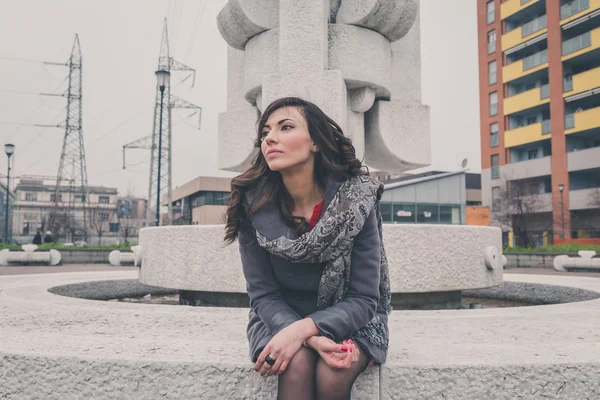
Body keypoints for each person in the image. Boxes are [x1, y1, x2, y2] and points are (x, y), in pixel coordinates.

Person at [224, 97, 390, 400]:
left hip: (351, 318)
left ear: (315, 141)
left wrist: (306, 331)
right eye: (265, 132)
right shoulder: (252, 206)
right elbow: (264, 296)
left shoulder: (356, 202)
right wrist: (304, 337)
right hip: (277, 317)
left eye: (285, 127)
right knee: (295, 362)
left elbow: (365, 299)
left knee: (334, 371)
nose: (270, 138)